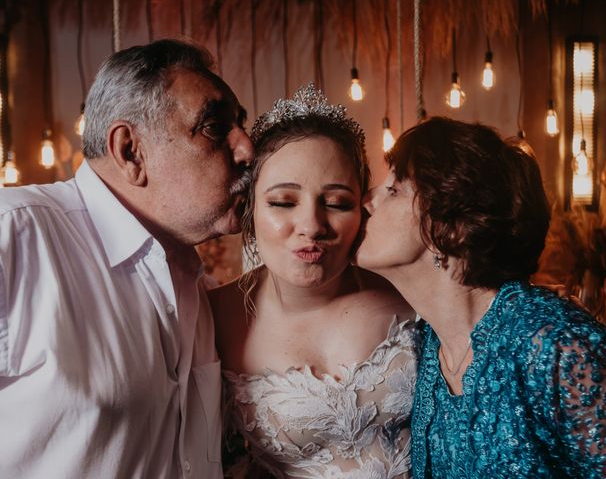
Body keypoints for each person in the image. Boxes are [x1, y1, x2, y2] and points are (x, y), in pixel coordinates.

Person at [0, 39, 253, 478]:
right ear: (131, 151)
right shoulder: (16, 235)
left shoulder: (203, 291)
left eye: (241, 127)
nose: (248, 149)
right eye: (214, 127)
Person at [355, 116, 606, 478]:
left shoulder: (553, 343)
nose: (367, 200)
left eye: (393, 189)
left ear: (450, 228)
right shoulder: (428, 348)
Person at [209, 84, 417, 478]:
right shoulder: (209, 319)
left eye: (337, 203)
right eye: (283, 202)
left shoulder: (410, 293)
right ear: (250, 209)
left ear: (363, 208)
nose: (312, 226)